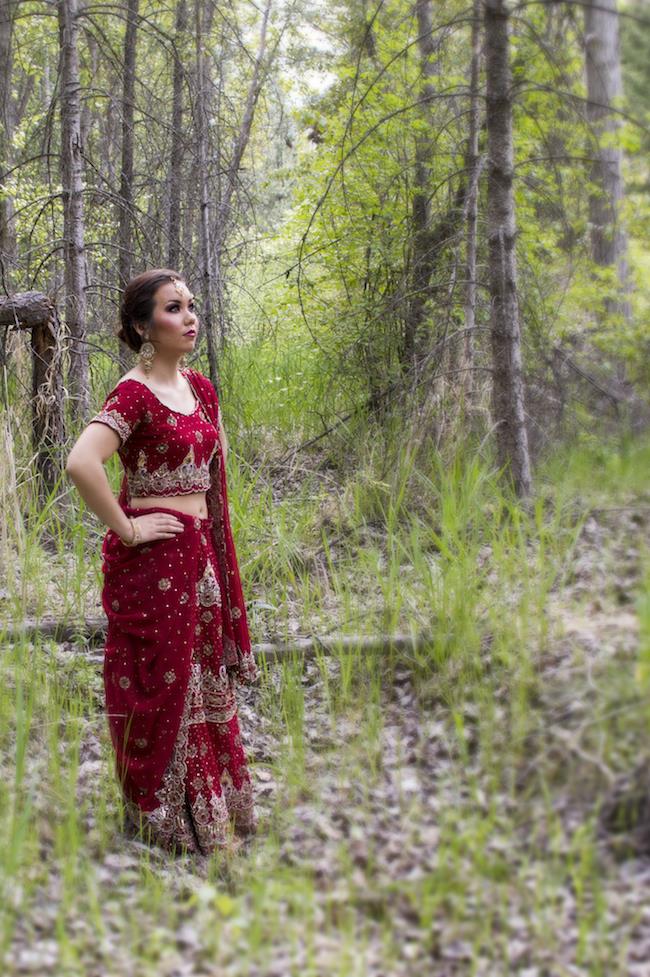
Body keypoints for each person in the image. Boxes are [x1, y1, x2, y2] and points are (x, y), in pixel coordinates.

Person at [65, 268, 261, 858]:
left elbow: (214, 473)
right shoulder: (132, 393)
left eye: (191, 306)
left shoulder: (202, 389)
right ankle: (163, 817)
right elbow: (82, 463)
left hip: (199, 554)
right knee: (162, 683)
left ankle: (212, 813)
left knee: (200, 679)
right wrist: (126, 528)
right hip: (155, 564)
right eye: (174, 308)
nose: (190, 317)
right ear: (143, 326)